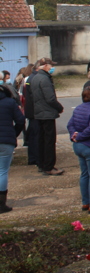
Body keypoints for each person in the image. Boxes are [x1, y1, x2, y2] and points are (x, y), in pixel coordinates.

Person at [30, 58, 65, 176]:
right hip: (47, 113)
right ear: (44, 66)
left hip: (39, 112)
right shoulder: (44, 79)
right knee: (49, 141)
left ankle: (42, 164)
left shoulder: (35, 77)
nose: (52, 68)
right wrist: (59, 107)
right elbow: (50, 98)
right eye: (51, 65)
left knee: (41, 140)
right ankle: (49, 166)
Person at [0, 83, 24, 213]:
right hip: (6, 140)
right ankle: (1, 203)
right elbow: (20, 120)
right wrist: (14, 133)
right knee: (2, 171)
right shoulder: (10, 102)